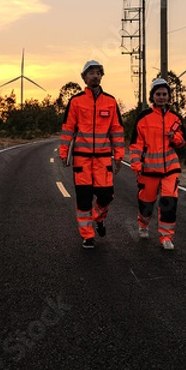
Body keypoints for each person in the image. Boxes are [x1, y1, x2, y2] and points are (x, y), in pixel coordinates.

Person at [59, 60, 125, 249]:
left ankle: (98, 218)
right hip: (82, 159)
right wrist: (64, 154)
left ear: (101, 76)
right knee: (84, 199)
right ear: (84, 77)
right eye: (91, 73)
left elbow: (117, 131)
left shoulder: (111, 102)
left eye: (98, 73)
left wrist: (119, 155)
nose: (95, 76)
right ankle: (87, 235)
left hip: (104, 159)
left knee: (107, 196)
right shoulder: (76, 101)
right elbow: (67, 129)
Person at [129, 78, 186, 250]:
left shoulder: (175, 118)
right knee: (146, 204)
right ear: (152, 96)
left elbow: (183, 142)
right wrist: (136, 165)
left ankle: (166, 236)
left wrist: (174, 138)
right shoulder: (144, 117)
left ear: (169, 96)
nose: (161, 97)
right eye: (158, 94)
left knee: (169, 202)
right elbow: (136, 144)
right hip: (148, 170)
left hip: (170, 168)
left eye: (164, 94)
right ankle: (143, 224)